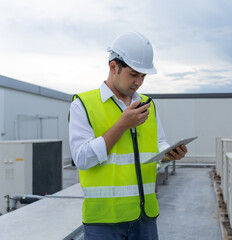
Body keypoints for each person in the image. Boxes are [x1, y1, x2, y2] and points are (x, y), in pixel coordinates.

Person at [69, 31, 188, 240]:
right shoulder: (83, 104)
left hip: (145, 217)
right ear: (113, 67)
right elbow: (81, 159)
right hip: (104, 222)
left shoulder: (147, 104)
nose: (139, 82)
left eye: (143, 76)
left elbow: (158, 144)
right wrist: (123, 125)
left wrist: (168, 154)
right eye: (134, 74)